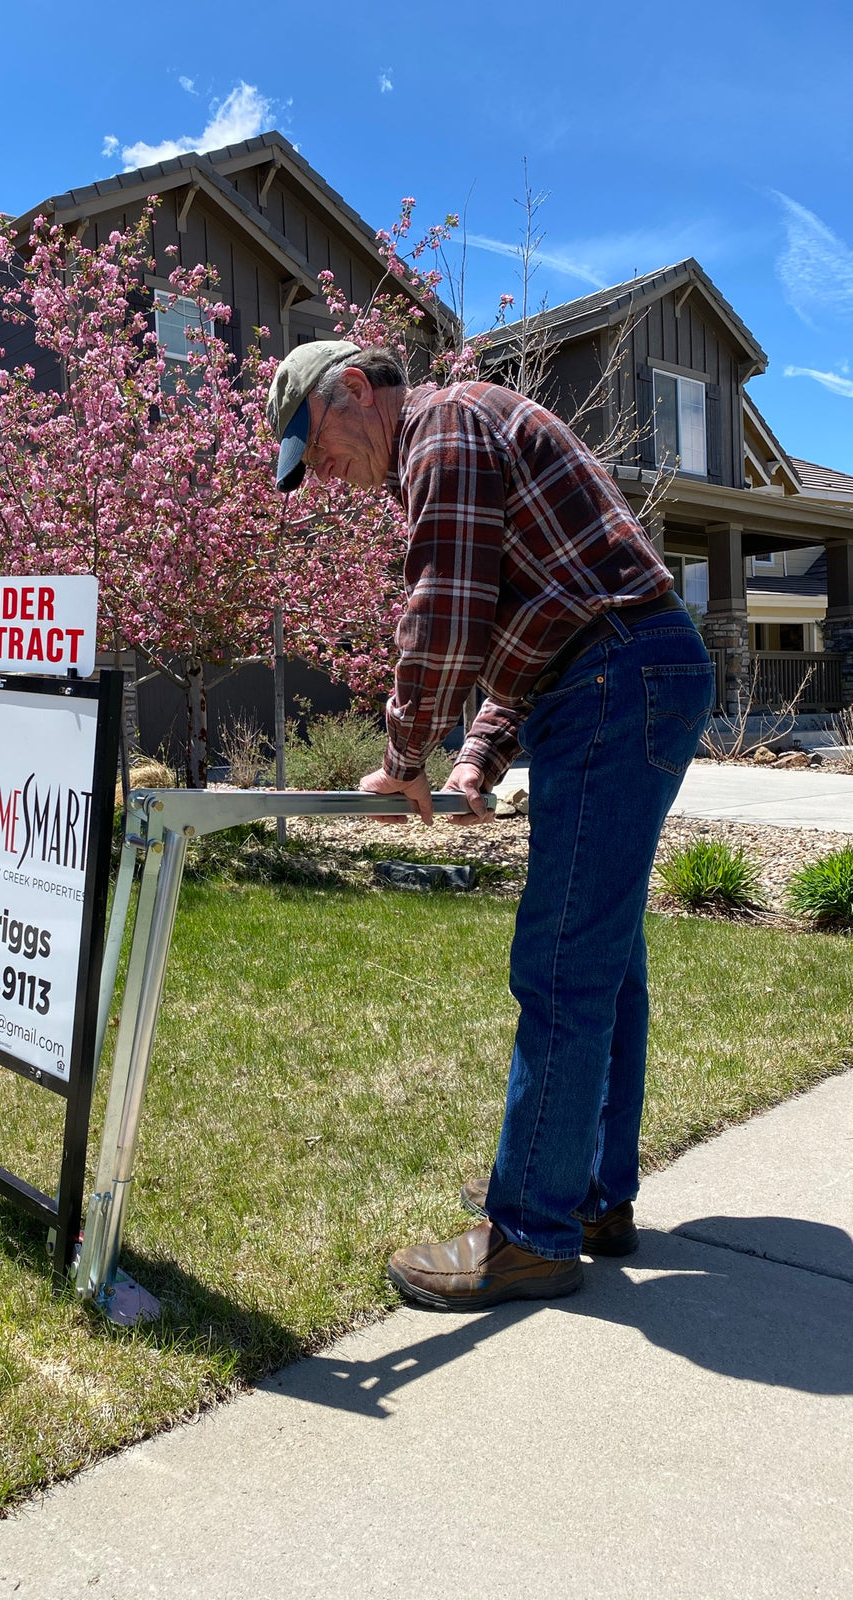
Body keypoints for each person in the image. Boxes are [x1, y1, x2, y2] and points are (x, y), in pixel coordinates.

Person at [268, 341, 715, 1311]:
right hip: (619, 671)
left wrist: (403, 754)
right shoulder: (463, 436)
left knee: (559, 961)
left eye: (317, 446)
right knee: (605, 956)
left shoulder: (446, 427)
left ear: (352, 389)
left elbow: (448, 610)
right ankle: (589, 1195)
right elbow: (539, 622)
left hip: (617, 678)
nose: (327, 477)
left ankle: (529, 1236)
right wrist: (475, 757)